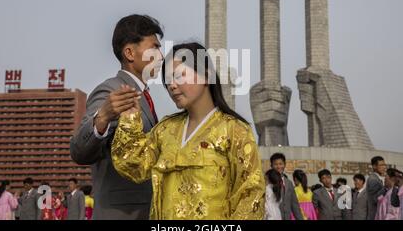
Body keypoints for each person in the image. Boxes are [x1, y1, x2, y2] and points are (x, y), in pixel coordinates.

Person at [111, 42, 265, 220]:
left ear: (206, 76)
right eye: (168, 80)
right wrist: (130, 119)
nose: (172, 86)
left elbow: (251, 195)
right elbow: (133, 166)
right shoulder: (165, 129)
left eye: (179, 76)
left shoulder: (235, 130)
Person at [70, 14, 164, 220]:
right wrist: (102, 117)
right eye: (155, 47)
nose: (161, 56)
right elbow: (78, 151)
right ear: (130, 52)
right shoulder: (110, 91)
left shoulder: (143, 95)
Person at [269, 153, 303, 220]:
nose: (278, 167)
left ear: (284, 165)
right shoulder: (268, 182)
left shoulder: (289, 183)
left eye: (280, 164)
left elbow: (294, 205)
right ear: (271, 166)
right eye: (275, 164)